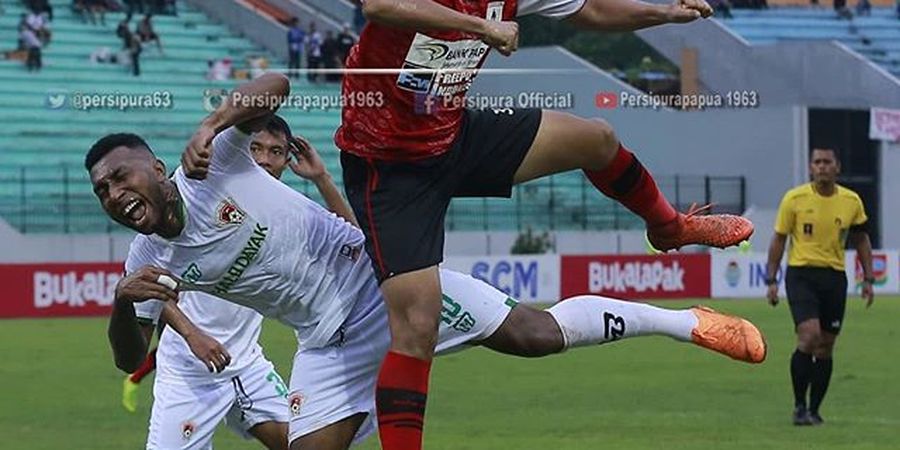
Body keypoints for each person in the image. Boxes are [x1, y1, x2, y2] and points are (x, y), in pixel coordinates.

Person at [89, 74, 765, 450]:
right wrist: (123, 301)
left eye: (122, 177)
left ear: (153, 166)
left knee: (536, 336)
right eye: (103, 192)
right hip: (326, 343)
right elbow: (128, 361)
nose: (117, 195)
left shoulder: (213, 164)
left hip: (383, 285)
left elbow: (275, 83)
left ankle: (687, 324)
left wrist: (210, 125)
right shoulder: (148, 257)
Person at [333, 1, 754, 448]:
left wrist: (666, 13)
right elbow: (379, 5)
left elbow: (590, 11)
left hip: (452, 136)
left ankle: (669, 228)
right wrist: (479, 26)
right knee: (418, 327)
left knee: (596, 139)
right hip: (388, 165)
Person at [112, 117, 342, 450]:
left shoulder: (283, 209)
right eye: (256, 148)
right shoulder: (208, 192)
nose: (264, 158)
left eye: (276, 151)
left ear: (286, 160)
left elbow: (353, 240)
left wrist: (322, 178)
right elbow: (155, 285)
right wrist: (193, 335)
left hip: (247, 363)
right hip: (191, 372)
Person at [765, 147, 874, 426]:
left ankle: (814, 410)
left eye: (827, 162)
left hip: (834, 278)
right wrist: (772, 279)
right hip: (801, 274)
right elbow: (779, 239)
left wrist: (869, 279)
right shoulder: (795, 198)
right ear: (810, 167)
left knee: (826, 346)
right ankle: (799, 406)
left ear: (837, 167)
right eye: (817, 162)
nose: (822, 166)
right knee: (809, 336)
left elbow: (861, 240)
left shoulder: (852, 201)